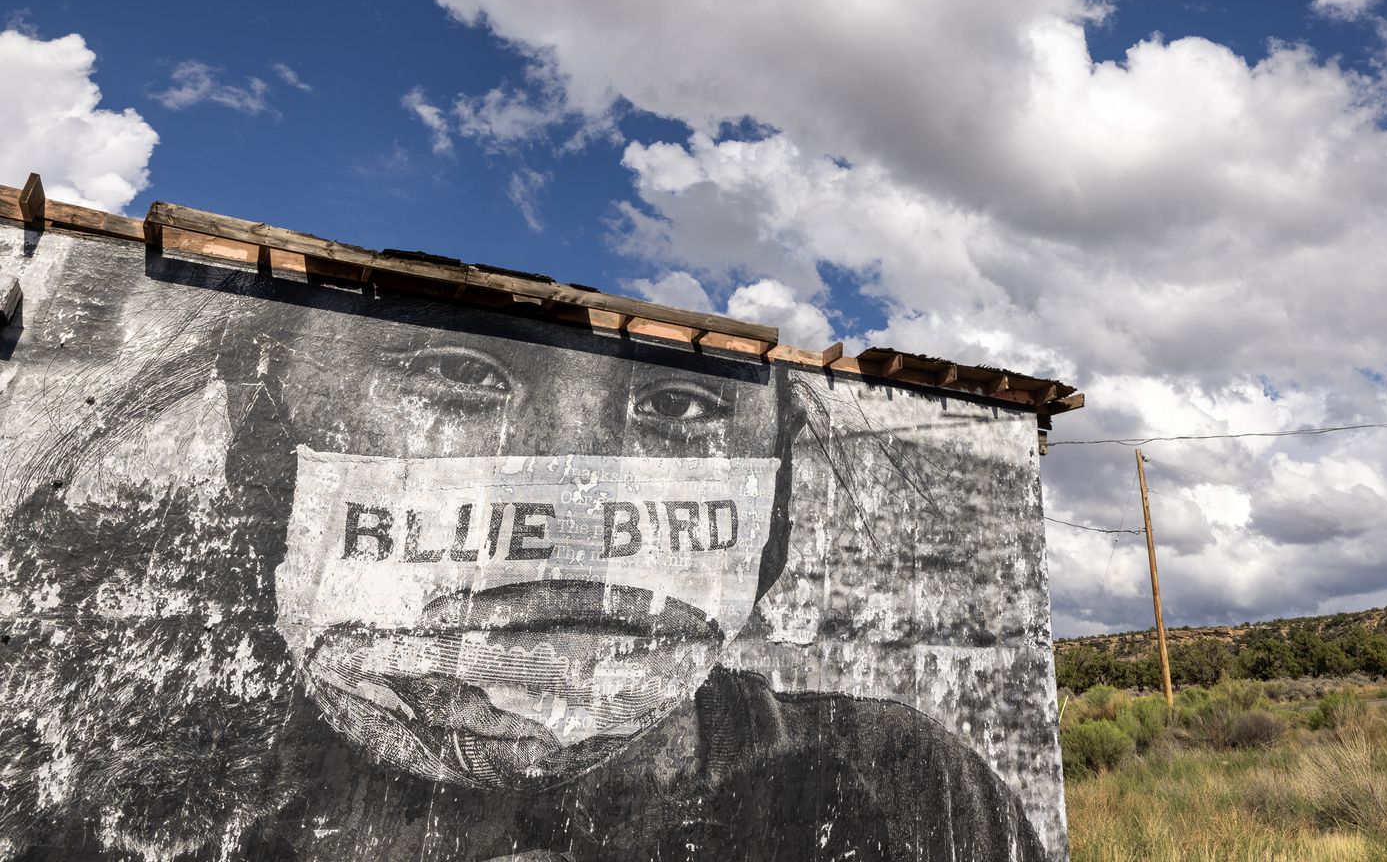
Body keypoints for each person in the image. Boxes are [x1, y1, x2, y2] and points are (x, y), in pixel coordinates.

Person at [0, 251, 1047, 861]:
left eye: (678, 406)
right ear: (263, 453)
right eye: (456, 378)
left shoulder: (902, 789)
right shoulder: (108, 807)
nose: (583, 487)